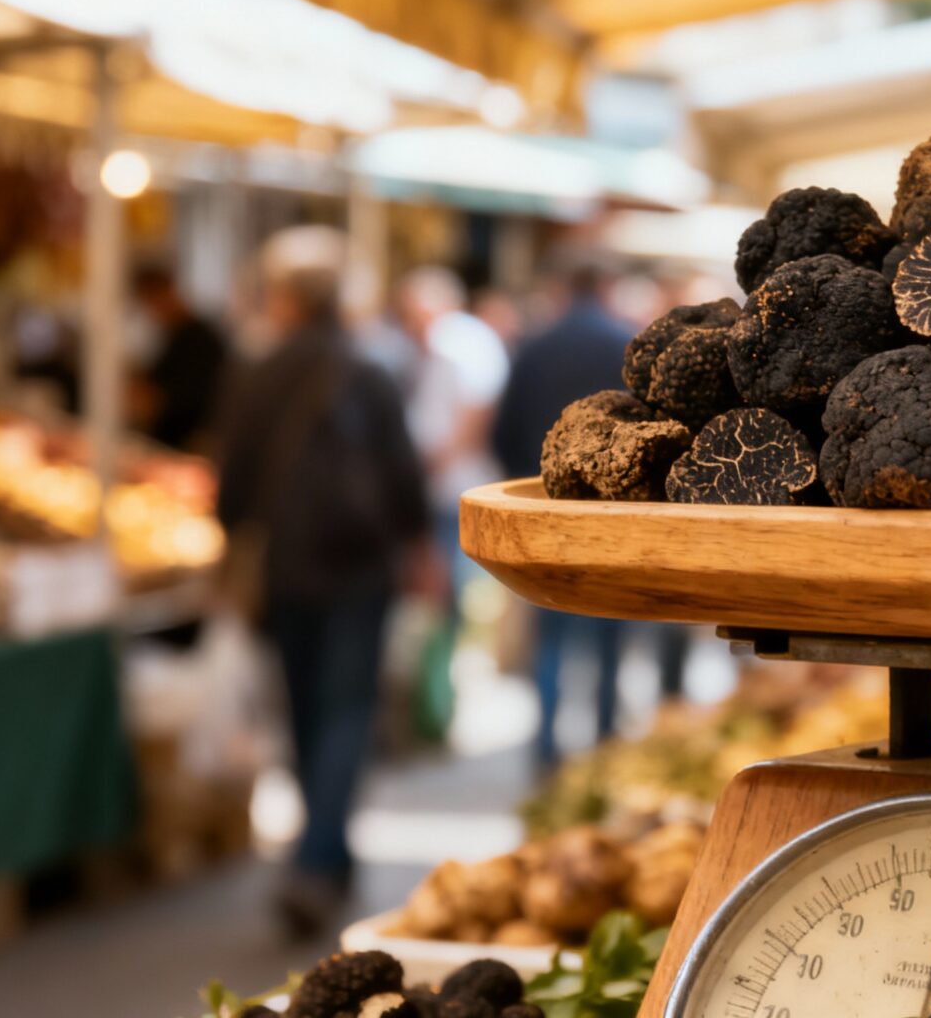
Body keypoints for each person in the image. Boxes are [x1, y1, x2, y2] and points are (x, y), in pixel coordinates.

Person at [216, 227, 431, 935]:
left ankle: (316, 856)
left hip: (287, 568)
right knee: (345, 713)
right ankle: (321, 859)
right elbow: (404, 475)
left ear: (284, 297)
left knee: (307, 712)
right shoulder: (368, 370)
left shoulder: (258, 371)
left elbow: (231, 486)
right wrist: (419, 548)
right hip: (360, 569)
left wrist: (233, 545)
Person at [491, 264, 682, 768]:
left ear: (562, 287)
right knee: (609, 632)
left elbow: (502, 431)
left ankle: (546, 749)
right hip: (612, 517)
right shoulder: (623, 344)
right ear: (605, 285)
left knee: (551, 636)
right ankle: (603, 746)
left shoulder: (534, 346)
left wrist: (532, 478)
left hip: (545, 514)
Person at [396, 267, 509, 613]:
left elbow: (478, 406)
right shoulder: (448, 340)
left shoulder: (456, 339)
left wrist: (439, 458)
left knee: (454, 581)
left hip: (454, 479)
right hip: (444, 477)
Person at [131, 265, 229, 453]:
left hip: (187, 442)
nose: (151, 311)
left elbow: (195, 396)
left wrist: (152, 400)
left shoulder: (200, 339)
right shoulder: (174, 334)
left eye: (150, 301)